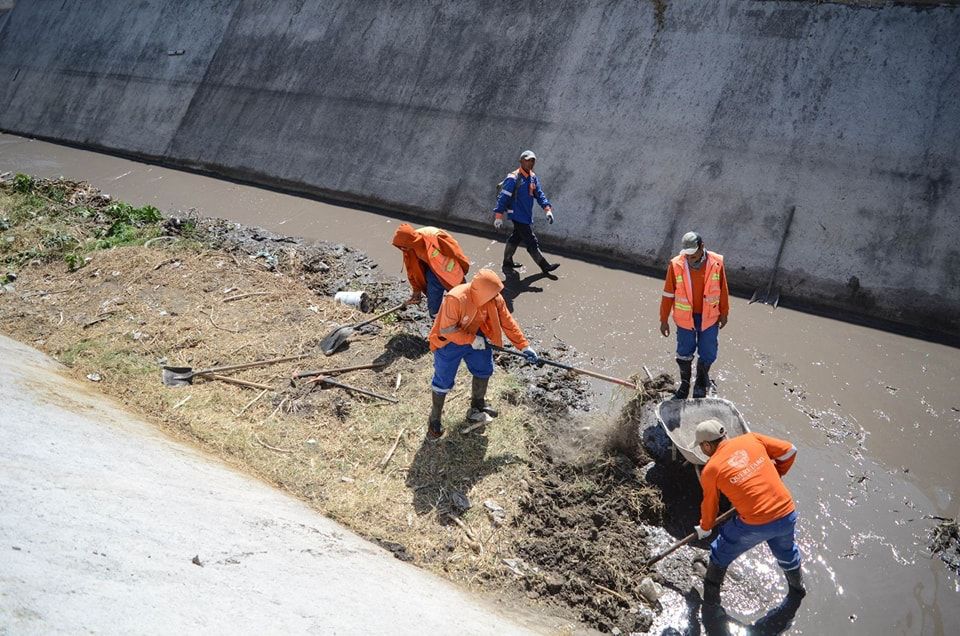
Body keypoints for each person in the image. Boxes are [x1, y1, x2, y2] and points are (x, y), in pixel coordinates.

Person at [693, 419, 806, 612]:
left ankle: (710, 602)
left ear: (706, 445)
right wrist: (776, 474)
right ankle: (797, 589)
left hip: (756, 523)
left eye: (701, 447)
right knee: (786, 553)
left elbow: (710, 505)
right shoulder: (751, 439)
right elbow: (790, 450)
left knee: (722, 549)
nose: (702, 451)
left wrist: (705, 528)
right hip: (787, 512)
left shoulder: (711, 469)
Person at [426, 269, 539, 440]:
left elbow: (507, 321)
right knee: (443, 380)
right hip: (449, 343)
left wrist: (524, 346)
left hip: (477, 336)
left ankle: (477, 406)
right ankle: (435, 419)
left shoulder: (494, 298)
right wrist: (470, 340)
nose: (496, 297)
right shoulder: (455, 298)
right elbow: (446, 329)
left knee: (483, 370)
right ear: (479, 292)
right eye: (492, 294)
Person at [659, 231, 729, 399]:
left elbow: (723, 289)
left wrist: (724, 312)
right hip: (685, 318)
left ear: (702, 247)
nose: (689, 259)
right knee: (684, 351)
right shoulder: (676, 265)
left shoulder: (716, 262)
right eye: (687, 255)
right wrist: (663, 319)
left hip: (709, 317)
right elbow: (668, 294)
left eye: (693, 255)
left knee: (708, 352)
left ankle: (700, 382)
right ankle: (684, 384)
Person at [493, 150, 559, 274]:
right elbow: (504, 197)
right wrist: (498, 216)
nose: (530, 163)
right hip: (517, 214)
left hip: (526, 214)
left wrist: (547, 210)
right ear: (521, 161)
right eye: (528, 160)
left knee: (516, 237)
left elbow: (539, 195)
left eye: (533, 160)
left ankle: (507, 261)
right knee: (531, 240)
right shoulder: (513, 178)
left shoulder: (532, 178)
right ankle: (544, 266)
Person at [391, 223, 470, 318]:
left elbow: (457, 254)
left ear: (411, 241)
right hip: (433, 274)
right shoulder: (408, 248)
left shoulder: (435, 237)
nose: (402, 249)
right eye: (400, 247)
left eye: (403, 246)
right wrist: (416, 290)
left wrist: (463, 271)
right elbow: (412, 270)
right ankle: (436, 321)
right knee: (433, 307)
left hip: (451, 275)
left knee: (464, 303)